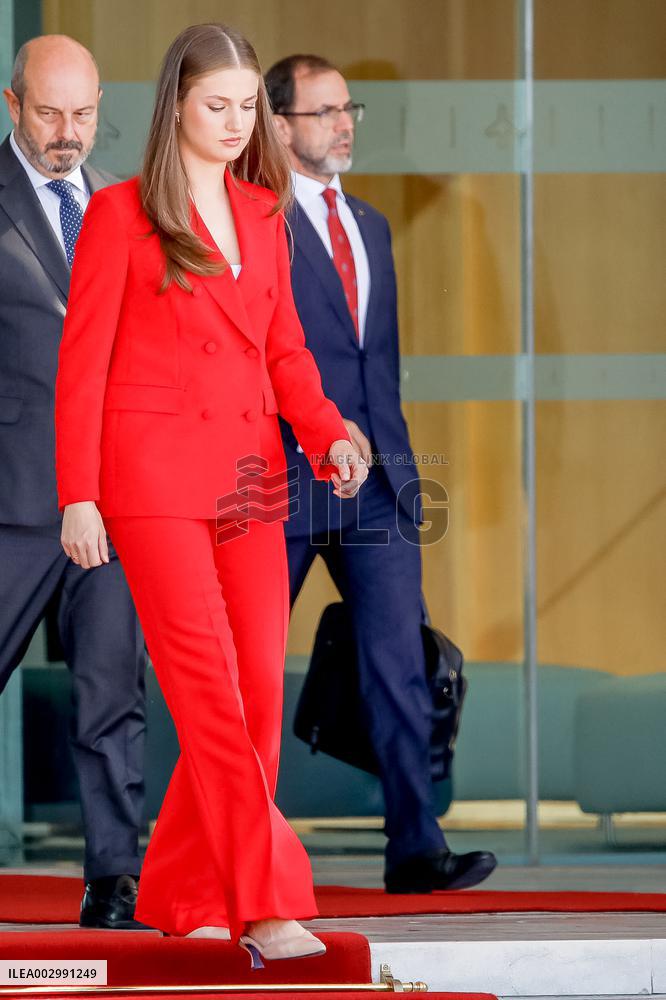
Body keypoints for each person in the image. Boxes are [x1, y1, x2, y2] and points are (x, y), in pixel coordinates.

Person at [54, 23, 366, 963]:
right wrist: (80, 496)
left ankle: (186, 889)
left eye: (244, 108)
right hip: (149, 487)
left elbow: (285, 352)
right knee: (211, 702)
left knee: (258, 699)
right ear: (176, 107)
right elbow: (83, 370)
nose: (234, 123)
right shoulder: (118, 214)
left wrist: (328, 430)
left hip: (249, 480)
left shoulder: (267, 215)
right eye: (215, 106)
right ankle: (267, 905)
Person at [265, 55, 497, 894]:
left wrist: (395, 469)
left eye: (346, 108)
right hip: (281, 478)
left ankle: (414, 848)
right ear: (280, 124)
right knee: (248, 670)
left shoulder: (369, 225)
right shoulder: (254, 222)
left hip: (379, 485)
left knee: (399, 663)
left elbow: (377, 366)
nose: (342, 123)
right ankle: (235, 849)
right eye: (322, 111)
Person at [0, 34, 147, 929]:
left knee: (110, 695)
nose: (68, 133)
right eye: (50, 114)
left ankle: (113, 878)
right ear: (12, 106)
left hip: (110, 498)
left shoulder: (122, 209)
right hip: (12, 496)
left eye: (84, 114)